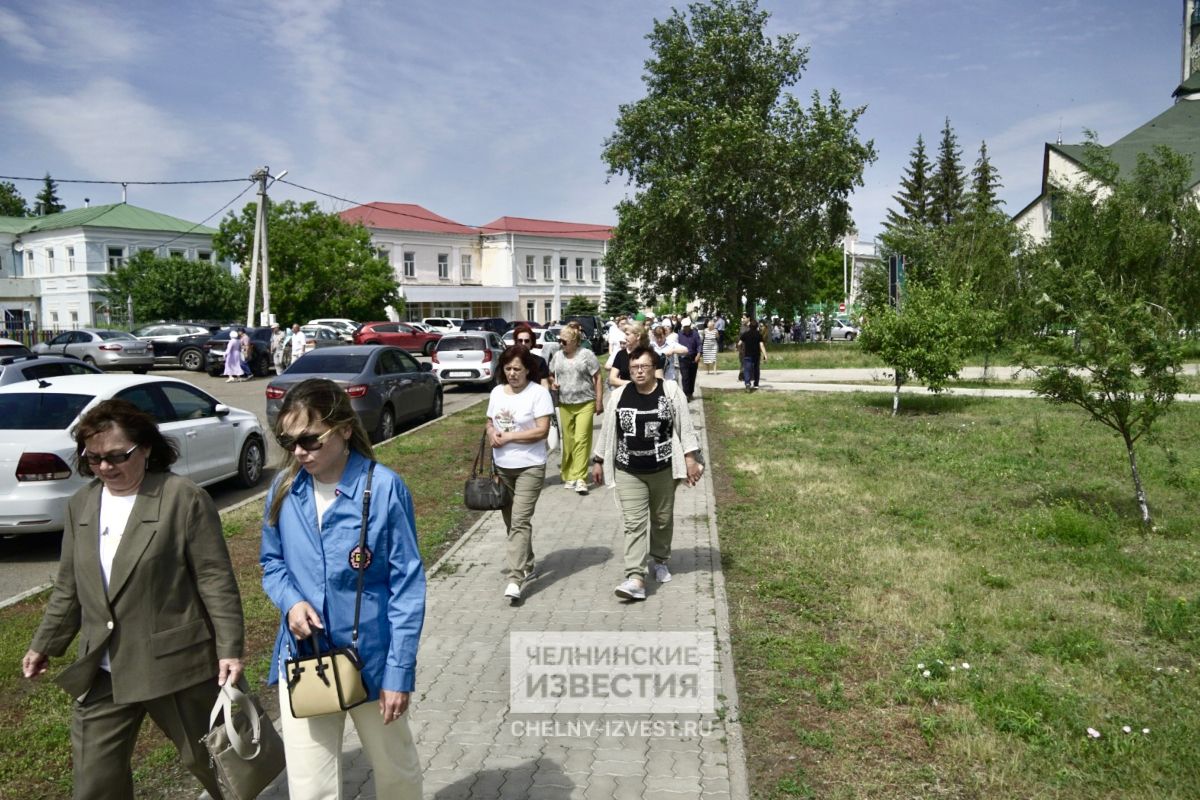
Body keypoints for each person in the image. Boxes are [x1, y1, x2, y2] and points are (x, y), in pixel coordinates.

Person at [22, 399, 244, 800]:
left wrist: (229, 648)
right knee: (94, 782)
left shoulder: (182, 498)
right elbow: (71, 585)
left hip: (175, 665)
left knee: (217, 766)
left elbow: (215, 580)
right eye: (94, 458)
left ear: (144, 449)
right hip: (104, 668)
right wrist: (44, 644)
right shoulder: (82, 504)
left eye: (116, 456)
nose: (105, 467)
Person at [261, 378, 425, 800]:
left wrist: (399, 672)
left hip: (371, 661)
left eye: (310, 440)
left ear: (345, 429)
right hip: (305, 661)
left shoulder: (385, 487)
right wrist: (291, 602)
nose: (299, 451)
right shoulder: (283, 490)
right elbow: (272, 563)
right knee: (310, 786)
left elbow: (406, 586)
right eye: (289, 440)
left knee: (397, 775)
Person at [591, 346, 703, 601]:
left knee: (662, 518)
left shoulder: (670, 391)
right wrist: (598, 461)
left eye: (644, 367)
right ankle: (636, 577)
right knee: (634, 523)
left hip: (663, 468)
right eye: (633, 368)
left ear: (655, 368)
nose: (639, 372)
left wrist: (690, 459)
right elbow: (608, 433)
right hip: (628, 469)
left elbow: (685, 428)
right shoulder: (619, 396)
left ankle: (660, 559)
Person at [487, 346, 554, 605]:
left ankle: (515, 578)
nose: (512, 373)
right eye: (508, 368)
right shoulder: (496, 393)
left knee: (519, 521)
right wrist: (492, 432)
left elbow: (541, 431)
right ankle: (527, 562)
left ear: (528, 370)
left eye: (517, 369)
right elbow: (490, 421)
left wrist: (511, 437)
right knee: (511, 522)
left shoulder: (538, 394)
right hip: (503, 467)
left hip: (530, 466)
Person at [549, 325, 603, 495]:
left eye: (564, 341)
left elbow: (598, 376)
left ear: (574, 341)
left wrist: (599, 400)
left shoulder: (586, 355)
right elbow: (551, 373)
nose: (561, 343)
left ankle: (580, 477)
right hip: (565, 403)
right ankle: (569, 474)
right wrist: (553, 382)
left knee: (581, 439)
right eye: (559, 340)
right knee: (569, 441)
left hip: (585, 402)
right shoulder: (557, 355)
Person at [609, 321, 663, 388]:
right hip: (626, 395)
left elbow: (660, 380)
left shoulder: (652, 356)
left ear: (638, 336)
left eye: (627, 334)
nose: (625, 338)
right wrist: (635, 384)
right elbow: (612, 380)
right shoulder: (621, 354)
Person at [511, 324, 551, 388]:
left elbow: (544, 384)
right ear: (516, 342)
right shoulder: (509, 361)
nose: (523, 343)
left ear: (531, 343)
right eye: (520, 340)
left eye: (527, 341)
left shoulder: (540, 362)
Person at [676, 317, 702, 401]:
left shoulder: (695, 334)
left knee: (692, 376)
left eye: (687, 326)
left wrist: (698, 354)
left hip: (693, 357)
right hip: (683, 358)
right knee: (685, 377)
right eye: (684, 326)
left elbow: (699, 345)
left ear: (690, 325)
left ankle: (690, 393)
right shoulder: (679, 335)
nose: (686, 328)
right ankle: (686, 394)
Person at [739, 319, 768, 390]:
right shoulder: (759, 334)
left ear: (749, 326)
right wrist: (765, 355)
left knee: (747, 370)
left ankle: (747, 383)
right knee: (756, 369)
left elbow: (739, 343)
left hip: (747, 354)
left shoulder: (745, 334)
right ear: (757, 327)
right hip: (756, 355)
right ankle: (756, 384)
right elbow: (761, 345)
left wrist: (740, 350)